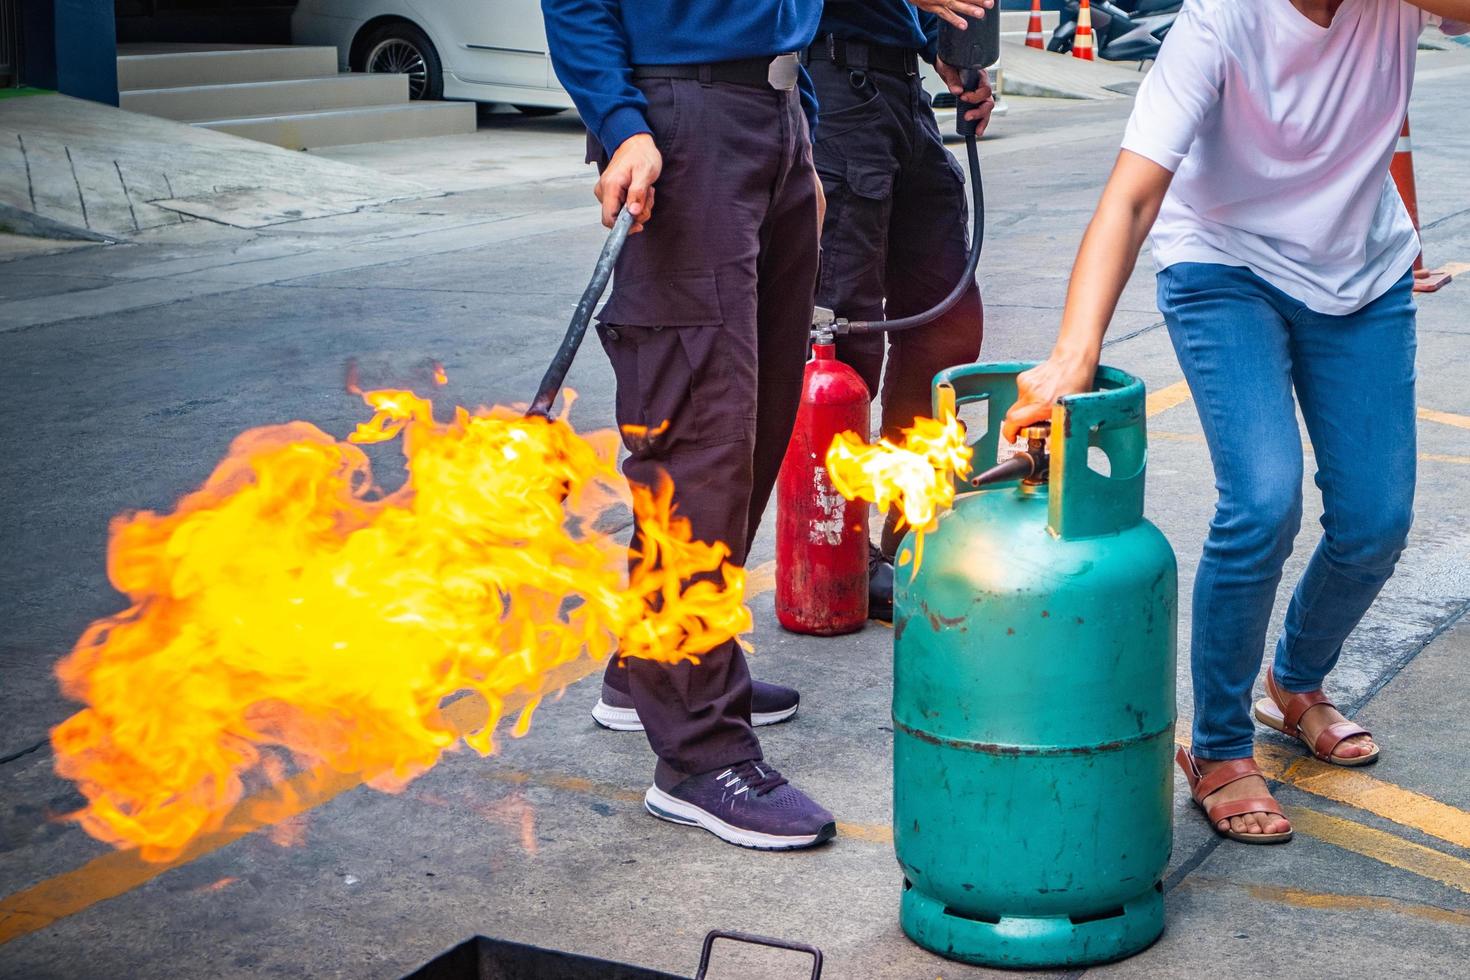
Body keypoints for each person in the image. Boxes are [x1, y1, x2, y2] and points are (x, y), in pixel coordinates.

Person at [1002, 0, 1469, 843]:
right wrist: (1074, 351)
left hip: (1360, 276)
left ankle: (1294, 683)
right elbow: (1135, 196)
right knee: (1261, 501)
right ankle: (1217, 745)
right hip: (1225, 267)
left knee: (1376, 521)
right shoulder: (1220, 21)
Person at [540, 0, 837, 850]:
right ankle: (699, 756)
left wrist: (797, 130)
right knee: (701, 450)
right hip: (684, 126)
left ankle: (651, 670)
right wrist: (620, 120)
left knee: (757, 426)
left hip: (772, 119)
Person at [810, 0, 994, 620]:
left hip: (900, 88)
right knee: (847, 337)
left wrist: (938, 46)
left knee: (947, 319)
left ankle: (910, 524)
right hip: (831, 82)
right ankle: (840, 551)